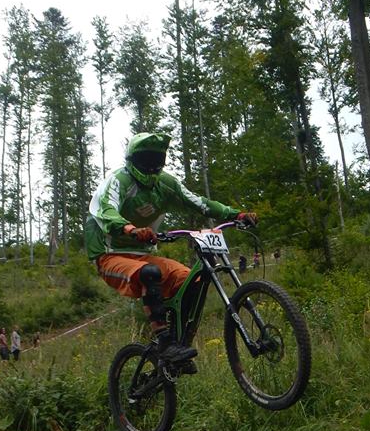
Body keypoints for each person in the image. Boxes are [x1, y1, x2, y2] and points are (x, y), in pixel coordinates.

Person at [85, 131, 256, 365]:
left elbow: (198, 202)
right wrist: (130, 229)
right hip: (109, 255)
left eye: (156, 160)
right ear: (132, 161)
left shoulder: (165, 183)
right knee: (149, 273)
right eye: (145, 160)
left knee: (191, 279)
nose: (151, 166)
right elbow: (107, 210)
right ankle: (165, 343)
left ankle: (178, 342)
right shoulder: (119, 181)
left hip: (143, 254)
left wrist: (235, 214)